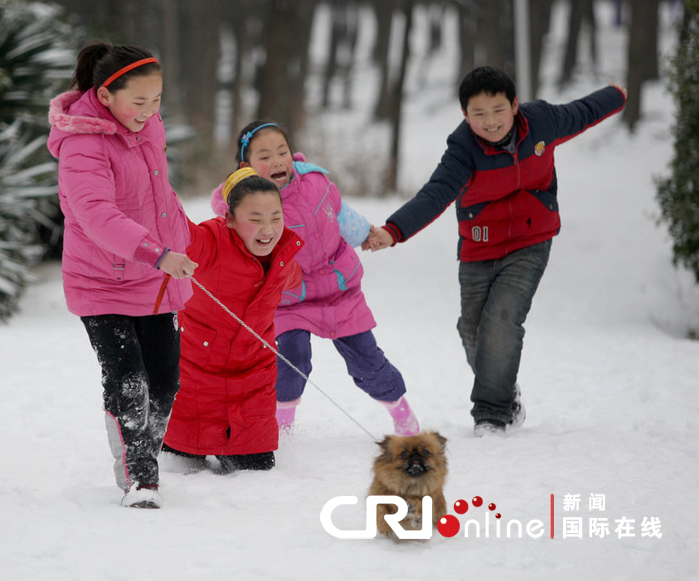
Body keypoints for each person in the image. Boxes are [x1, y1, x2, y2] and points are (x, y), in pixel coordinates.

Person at [363, 66, 627, 437]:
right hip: (480, 244)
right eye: (478, 114)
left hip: (531, 240)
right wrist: (394, 230)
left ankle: (492, 414)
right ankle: (504, 391)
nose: (490, 122)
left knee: (502, 320)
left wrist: (618, 93)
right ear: (465, 115)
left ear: (515, 105)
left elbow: (583, 112)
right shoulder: (463, 149)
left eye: (498, 110)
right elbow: (435, 193)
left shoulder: (541, 122)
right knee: (472, 329)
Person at [47, 41, 198, 508]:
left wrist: (182, 240)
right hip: (103, 281)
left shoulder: (146, 125)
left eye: (156, 101)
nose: (150, 111)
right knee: (128, 379)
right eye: (139, 101)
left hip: (155, 277)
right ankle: (139, 478)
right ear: (106, 95)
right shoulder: (83, 144)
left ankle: (145, 454)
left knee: (165, 380)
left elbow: (157, 195)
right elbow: (95, 213)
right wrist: (156, 252)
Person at [210, 121, 420, 437]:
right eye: (265, 156)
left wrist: (364, 233)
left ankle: (399, 410)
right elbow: (237, 247)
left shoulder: (316, 182)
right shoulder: (246, 207)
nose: (277, 161)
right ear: (247, 167)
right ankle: (282, 424)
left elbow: (339, 213)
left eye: (282, 152)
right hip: (289, 300)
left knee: (367, 360)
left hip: (340, 290)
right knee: (291, 360)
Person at [162, 168, 303, 472]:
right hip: (197, 378)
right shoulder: (209, 241)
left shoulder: (282, 254)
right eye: (255, 220)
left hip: (254, 382)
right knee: (182, 467)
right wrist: (152, 173)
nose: (267, 230)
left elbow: (292, 277)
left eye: (275, 218)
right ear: (229, 218)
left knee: (257, 472)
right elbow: (175, 227)